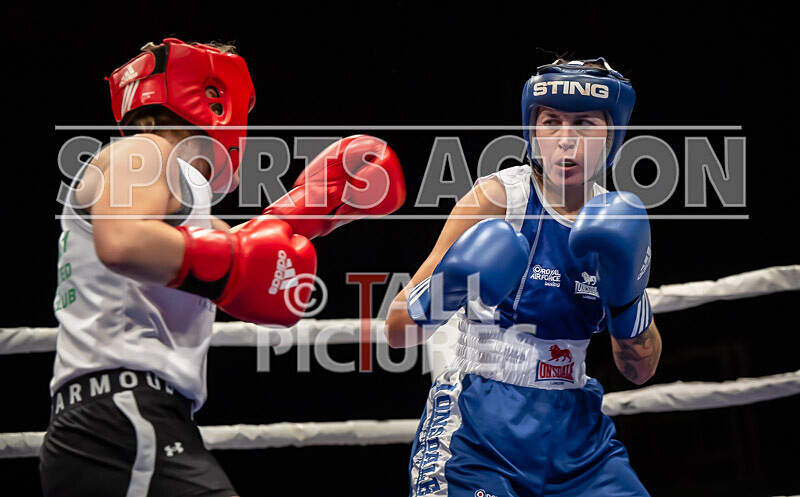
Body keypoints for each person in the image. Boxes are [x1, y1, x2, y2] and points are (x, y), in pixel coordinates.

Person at [43, 38, 405, 497]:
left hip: (124, 419)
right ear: (215, 99)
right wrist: (236, 264)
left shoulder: (160, 177)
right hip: (123, 416)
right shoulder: (144, 153)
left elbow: (236, 250)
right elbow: (125, 242)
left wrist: (313, 207)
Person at [386, 57, 662, 496]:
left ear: (612, 135)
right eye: (551, 121)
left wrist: (628, 301)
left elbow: (638, 369)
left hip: (578, 436)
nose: (565, 139)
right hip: (479, 427)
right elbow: (397, 330)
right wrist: (453, 284)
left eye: (585, 123)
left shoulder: (618, 221)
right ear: (533, 130)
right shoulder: (497, 199)